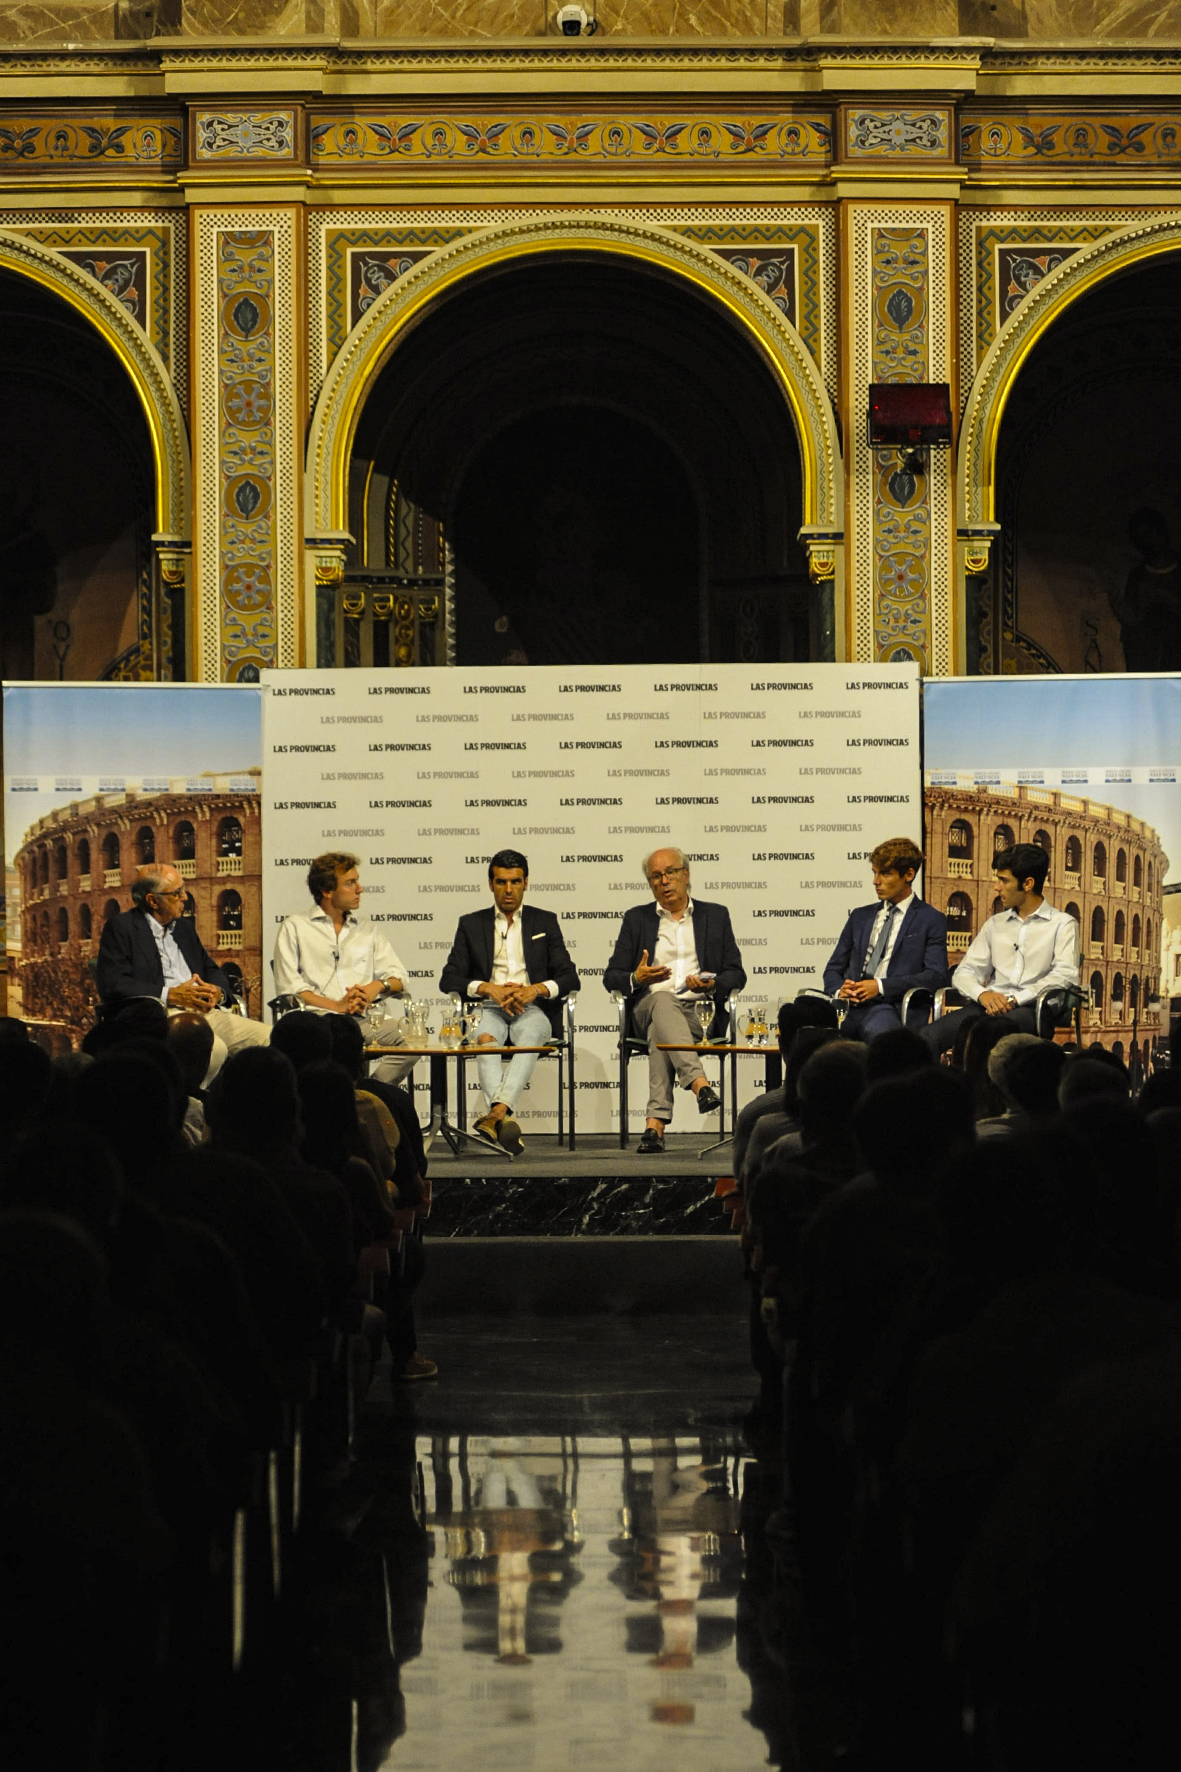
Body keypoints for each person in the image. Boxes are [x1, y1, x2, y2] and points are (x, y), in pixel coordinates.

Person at [603, 845, 745, 1154]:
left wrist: (712, 982)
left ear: (686, 875)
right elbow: (611, 976)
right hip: (647, 1006)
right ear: (650, 883)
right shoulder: (636, 919)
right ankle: (699, 1084)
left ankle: (655, 1124)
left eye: (670, 873)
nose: (664, 881)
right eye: (656, 876)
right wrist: (636, 978)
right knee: (663, 999)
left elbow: (737, 974)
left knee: (661, 1033)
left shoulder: (715, 915)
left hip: (699, 1014)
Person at [438, 849, 579, 1155]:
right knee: (486, 1039)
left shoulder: (546, 921)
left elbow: (570, 978)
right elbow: (449, 978)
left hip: (532, 1008)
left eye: (515, 882)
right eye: (501, 882)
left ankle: (495, 1115)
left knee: (529, 1038)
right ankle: (503, 1116)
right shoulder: (470, 924)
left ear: (526, 883)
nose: (508, 889)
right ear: (491, 884)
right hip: (487, 1008)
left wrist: (535, 990)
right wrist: (488, 988)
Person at [95, 863, 268, 1084]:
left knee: (270, 1039)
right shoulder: (122, 927)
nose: (185, 897)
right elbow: (114, 983)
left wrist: (217, 992)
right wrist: (171, 994)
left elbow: (212, 969)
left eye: (183, 890)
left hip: (205, 1011)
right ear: (152, 900)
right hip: (160, 1016)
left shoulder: (184, 928)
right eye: (177, 893)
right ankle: (192, 1109)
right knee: (215, 1050)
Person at [922, 842, 1080, 1058]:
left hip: (1033, 1008)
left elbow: (1064, 975)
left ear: (1028, 883)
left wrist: (1016, 999)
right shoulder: (995, 924)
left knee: (983, 1037)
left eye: (1003, 880)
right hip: (988, 1005)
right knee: (926, 1037)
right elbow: (965, 972)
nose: (996, 886)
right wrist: (983, 994)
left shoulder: (1063, 924)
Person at [272, 850, 416, 1087]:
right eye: (351, 883)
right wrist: (338, 1006)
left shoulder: (368, 929)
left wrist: (374, 987)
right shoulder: (295, 927)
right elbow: (291, 989)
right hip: (316, 1021)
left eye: (357, 881)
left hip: (363, 1019)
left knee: (412, 1035)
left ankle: (371, 1093)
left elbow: (400, 977)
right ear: (327, 891)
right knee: (342, 1034)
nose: (360, 888)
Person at [823, 838, 949, 1040]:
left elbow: (935, 976)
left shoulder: (930, 919)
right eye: (875, 873)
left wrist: (879, 986)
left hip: (889, 1006)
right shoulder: (859, 916)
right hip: (847, 1007)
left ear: (908, 874)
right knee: (811, 1030)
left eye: (885, 873)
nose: (876, 881)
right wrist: (840, 990)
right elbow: (833, 969)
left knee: (881, 1034)